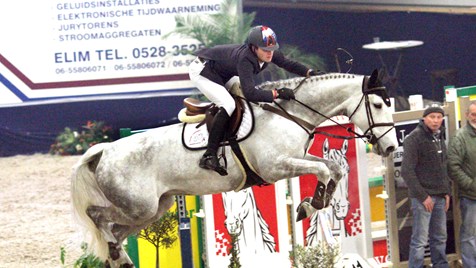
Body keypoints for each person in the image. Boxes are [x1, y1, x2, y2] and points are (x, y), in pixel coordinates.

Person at [189, 25, 322, 176]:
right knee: (228, 104)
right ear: (253, 48)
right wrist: (277, 93)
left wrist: (308, 72)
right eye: (265, 50)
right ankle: (209, 155)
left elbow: (287, 63)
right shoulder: (246, 59)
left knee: (242, 98)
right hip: (203, 71)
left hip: (222, 71)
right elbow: (251, 93)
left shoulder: (269, 52)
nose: (269, 53)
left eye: (271, 49)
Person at [401, 104, 451, 268]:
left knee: (440, 238)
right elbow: (407, 171)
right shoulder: (413, 139)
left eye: (439, 117)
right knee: (420, 241)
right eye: (432, 117)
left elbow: (444, 167)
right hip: (423, 199)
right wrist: (423, 196)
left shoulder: (440, 136)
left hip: (440, 197)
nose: (436, 121)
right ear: (424, 118)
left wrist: (447, 193)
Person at [447, 100, 476, 268]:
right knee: (469, 236)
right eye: (473, 114)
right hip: (470, 197)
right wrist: (471, 185)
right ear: (466, 115)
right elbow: (453, 167)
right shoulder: (460, 137)